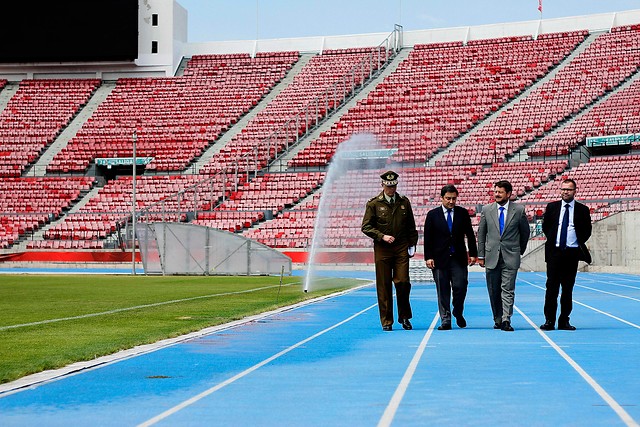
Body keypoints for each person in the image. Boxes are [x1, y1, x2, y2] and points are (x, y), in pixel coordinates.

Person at [362, 170, 419, 331]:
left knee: (403, 282)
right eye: (388, 186)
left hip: (401, 247)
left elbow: (411, 226)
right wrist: (381, 236)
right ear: (383, 185)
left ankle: (404, 317)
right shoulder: (374, 204)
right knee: (384, 285)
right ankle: (387, 321)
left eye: (393, 186)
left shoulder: (403, 202)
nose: (391, 189)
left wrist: (412, 244)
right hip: (383, 249)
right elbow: (366, 227)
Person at [477, 180, 530, 332]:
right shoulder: (487, 209)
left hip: (511, 256)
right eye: (495, 192)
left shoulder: (519, 210)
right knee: (493, 290)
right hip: (491, 256)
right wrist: (481, 255)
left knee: (507, 289)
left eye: (500, 192)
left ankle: (507, 319)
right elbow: (481, 234)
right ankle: (497, 318)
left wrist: (519, 251)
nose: (497, 195)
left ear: (508, 194)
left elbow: (525, 233)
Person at [540, 178, 592, 331]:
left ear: (575, 191)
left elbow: (587, 231)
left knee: (567, 289)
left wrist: (575, 241)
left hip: (571, 254)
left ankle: (564, 320)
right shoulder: (552, 207)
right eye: (563, 189)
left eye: (568, 189)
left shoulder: (582, 209)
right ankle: (549, 320)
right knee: (551, 288)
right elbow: (546, 227)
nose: (565, 192)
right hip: (555, 253)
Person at [424, 184, 477, 330]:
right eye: (448, 198)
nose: (451, 201)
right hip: (439, 259)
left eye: (454, 198)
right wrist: (428, 257)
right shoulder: (432, 215)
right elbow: (427, 238)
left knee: (460, 287)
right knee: (443, 290)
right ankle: (445, 319)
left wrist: (473, 253)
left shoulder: (462, 213)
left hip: (458, 257)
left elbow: (470, 234)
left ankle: (458, 311)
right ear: (441, 198)